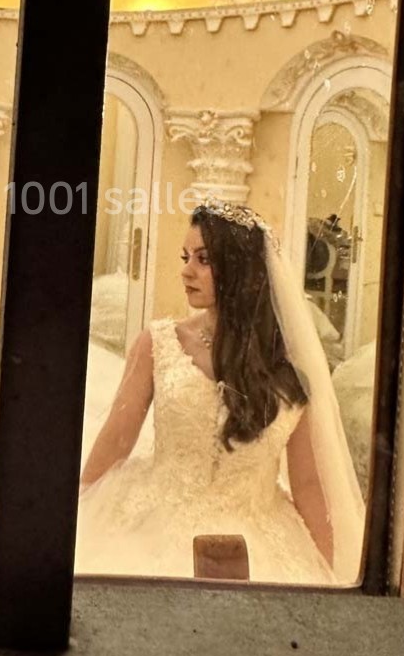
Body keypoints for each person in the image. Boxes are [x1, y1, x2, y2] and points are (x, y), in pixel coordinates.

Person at [76, 198, 364, 584]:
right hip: (154, 523)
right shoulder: (158, 343)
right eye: (185, 257)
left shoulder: (290, 372)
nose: (186, 271)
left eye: (203, 259)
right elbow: (115, 442)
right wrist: (73, 523)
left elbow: (309, 485)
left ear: (240, 269)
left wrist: (334, 580)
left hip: (260, 537)